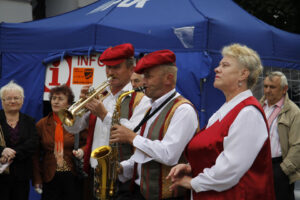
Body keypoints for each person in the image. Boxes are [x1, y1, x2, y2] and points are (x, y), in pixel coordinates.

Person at [167, 43, 276, 200]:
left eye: (225, 65)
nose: (217, 69)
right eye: (219, 65)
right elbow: (216, 154)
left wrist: (194, 182)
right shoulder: (226, 110)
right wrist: (193, 167)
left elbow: (231, 168)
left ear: (243, 74)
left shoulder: (248, 113)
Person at [65, 43, 150, 199]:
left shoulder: (141, 100)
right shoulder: (100, 95)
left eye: (116, 67)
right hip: (94, 172)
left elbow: (134, 134)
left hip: (121, 175)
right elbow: (73, 128)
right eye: (107, 68)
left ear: (131, 69)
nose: (110, 72)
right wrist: (79, 104)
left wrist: (104, 115)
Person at [110, 49, 199, 200]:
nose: (143, 82)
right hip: (141, 192)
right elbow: (146, 154)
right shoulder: (154, 107)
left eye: (149, 77)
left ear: (168, 79)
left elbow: (169, 155)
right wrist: (123, 167)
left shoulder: (183, 110)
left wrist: (132, 137)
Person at [32, 85, 87, 200]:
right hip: (49, 176)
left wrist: (82, 151)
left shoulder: (78, 122)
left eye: (60, 99)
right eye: (53, 98)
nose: (56, 102)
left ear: (68, 103)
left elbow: (89, 143)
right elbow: (35, 154)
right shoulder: (41, 124)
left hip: (73, 175)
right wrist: (37, 178)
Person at [260, 71, 300, 200]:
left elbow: (297, 145)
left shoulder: (294, 112)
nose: (267, 90)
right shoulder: (258, 107)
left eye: (272, 87)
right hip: (257, 166)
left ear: (284, 89)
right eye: (265, 86)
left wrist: (283, 170)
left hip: (278, 167)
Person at [0, 80, 38, 200]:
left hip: (22, 176)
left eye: (16, 98)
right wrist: (2, 150)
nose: (12, 101)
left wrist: (12, 153)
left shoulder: (30, 121)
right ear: (2, 101)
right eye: (8, 98)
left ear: (22, 100)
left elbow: (33, 143)